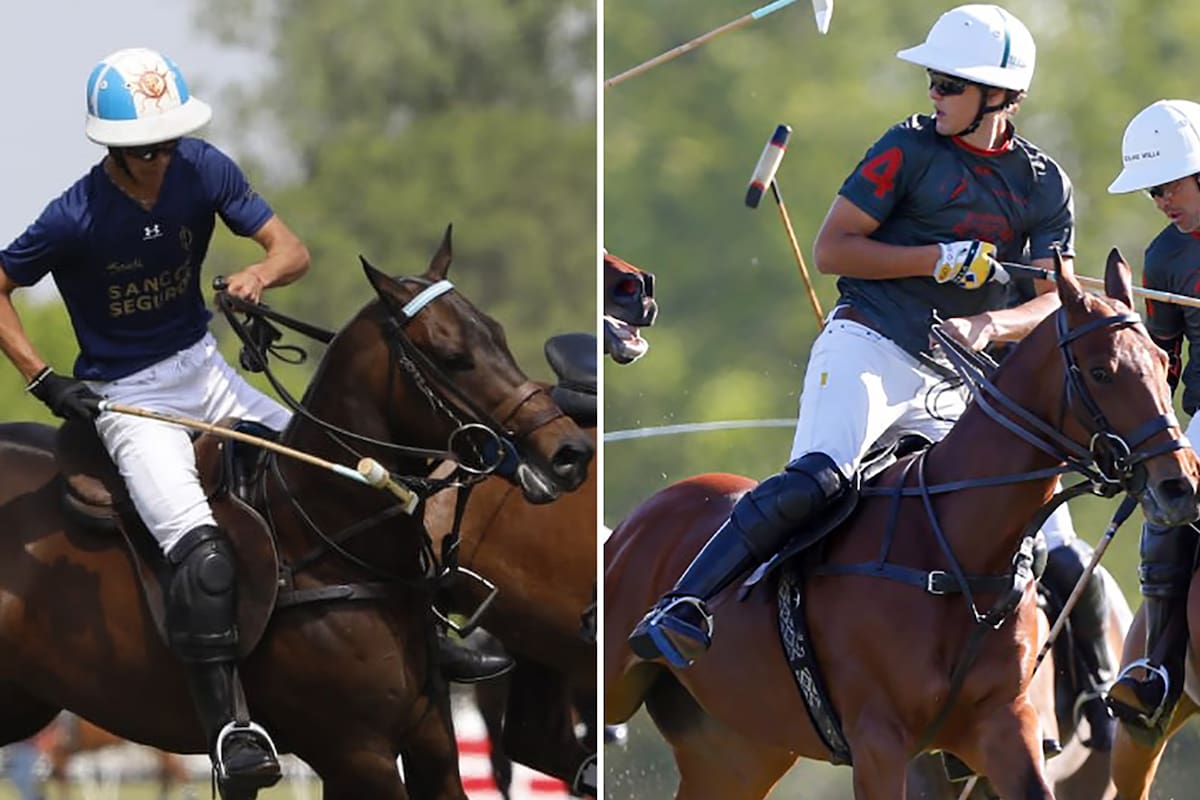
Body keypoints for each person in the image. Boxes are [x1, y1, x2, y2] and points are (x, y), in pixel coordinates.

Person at [0, 47, 510, 793]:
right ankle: (232, 728)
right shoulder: (74, 216)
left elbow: (290, 248)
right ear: (120, 150)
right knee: (203, 555)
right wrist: (43, 379)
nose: (169, 155)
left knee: (356, 480)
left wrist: (259, 273)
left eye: (174, 139)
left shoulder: (203, 169)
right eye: (154, 147)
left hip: (204, 372)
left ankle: (429, 639)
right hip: (130, 400)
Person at [628, 2, 1117, 747]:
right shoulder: (905, 151)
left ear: (999, 95)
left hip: (958, 372)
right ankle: (683, 605)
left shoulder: (1043, 184)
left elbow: (1056, 296)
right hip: (870, 343)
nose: (933, 95)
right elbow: (834, 248)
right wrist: (934, 258)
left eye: (950, 85)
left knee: (1045, 541)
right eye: (932, 81)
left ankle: (1080, 697)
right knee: (822, 478)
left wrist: (990, 323)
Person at [1103, 98, 1200, 742]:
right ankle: (1157, 670)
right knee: (1170, 503)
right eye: (1152, 192)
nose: (1161, 201)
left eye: (1167, 185)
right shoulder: (1164, 257)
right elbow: (1163, 361)